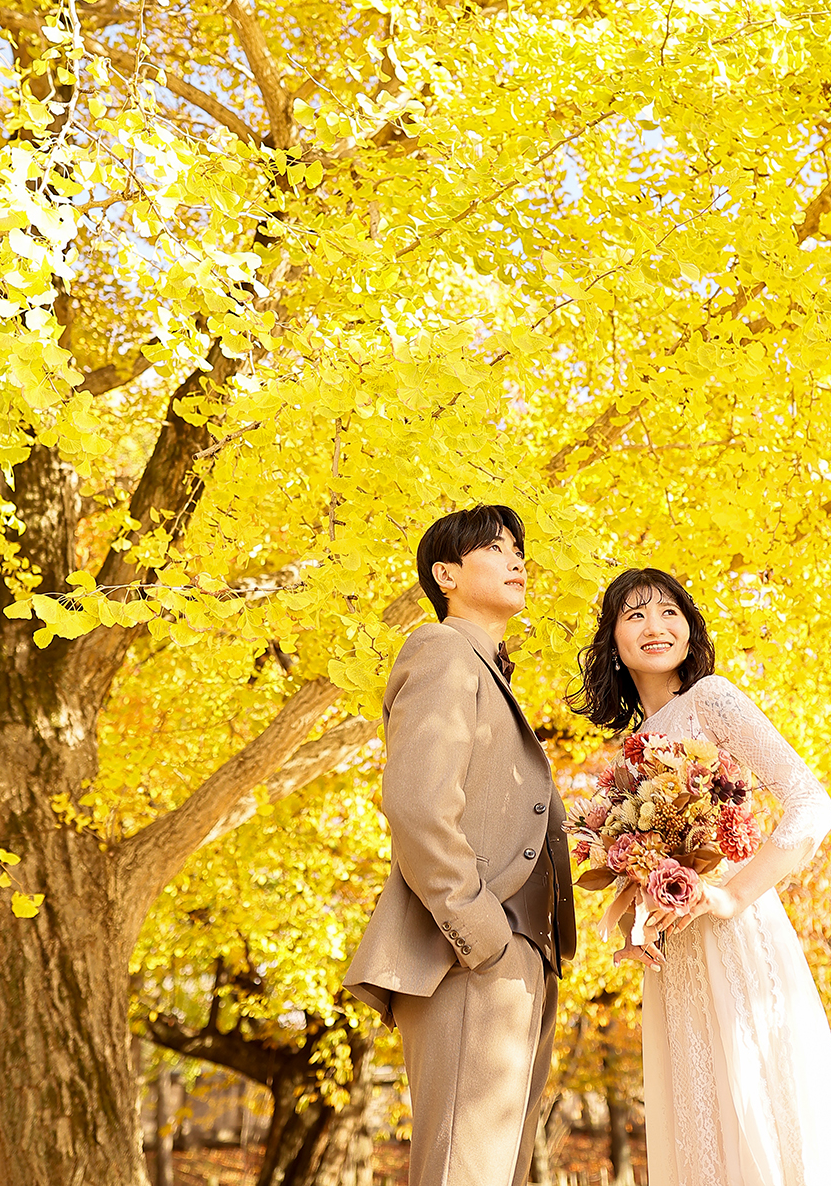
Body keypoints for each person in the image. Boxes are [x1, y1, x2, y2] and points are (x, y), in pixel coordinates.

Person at [569, 566, 831, 1186]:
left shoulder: (712, 699)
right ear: (614, 643)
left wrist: (732, 895)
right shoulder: (633, 746)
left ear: (689, 630)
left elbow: (812, 804)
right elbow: (646, 857)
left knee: (756, 1098)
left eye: (669, 612)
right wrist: (635, 917)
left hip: (736, 934)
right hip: (674, 956)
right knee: (699, 1115)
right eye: (634, 615)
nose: (655, 626)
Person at [344, 504, 576, 1186]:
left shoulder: (489, 670)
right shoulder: (442, 650)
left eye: (518, 550)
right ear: (446, 575)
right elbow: (417, 805)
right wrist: (482, 934)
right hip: (473, 955)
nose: (516, 560)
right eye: (495, 549)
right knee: (463, 1172)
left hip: (520, 957)